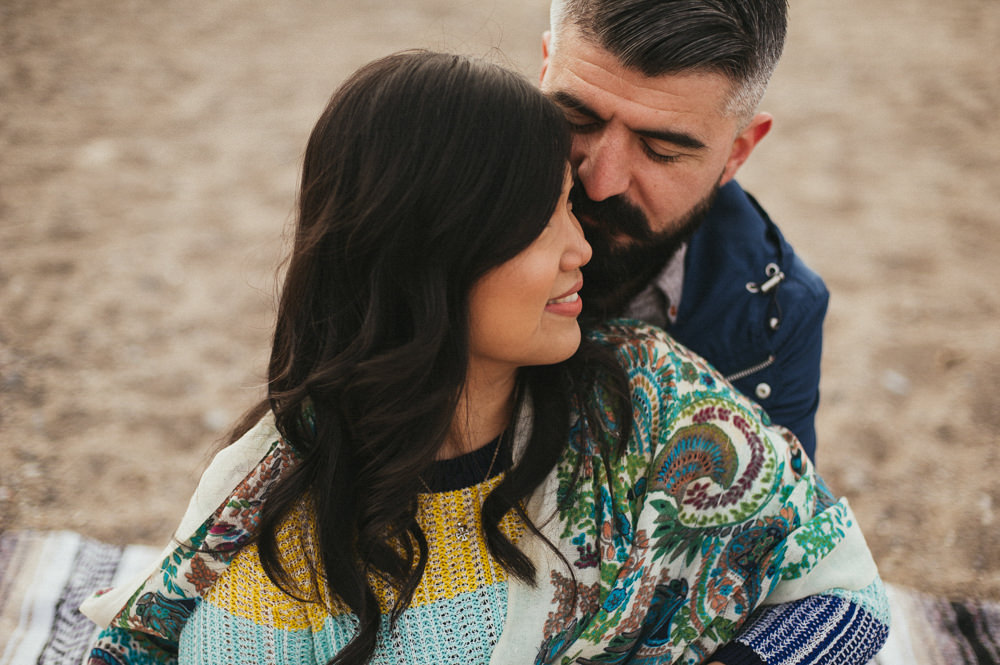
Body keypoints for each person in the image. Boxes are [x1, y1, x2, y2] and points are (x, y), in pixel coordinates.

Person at [80, 51, 887, 665]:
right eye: (548, 220)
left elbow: (849, 595)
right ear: (437, 255)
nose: (584, 245)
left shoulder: (650, 397)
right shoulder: (265, 540)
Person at [539, 0, 829, 461]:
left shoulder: (778, 314)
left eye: (660, 149)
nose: (600, 182)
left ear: (736, 153)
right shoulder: (421, 210)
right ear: (545, 69)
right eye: (579, 120)